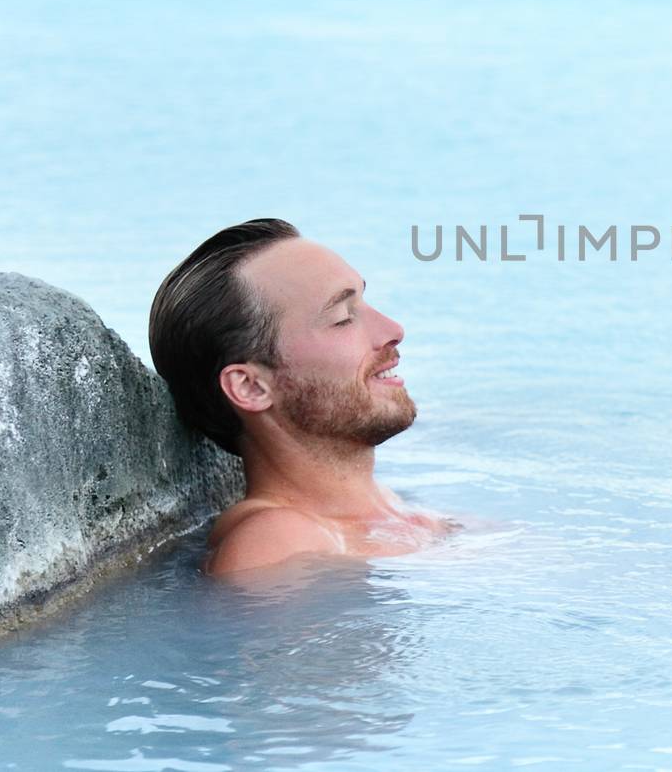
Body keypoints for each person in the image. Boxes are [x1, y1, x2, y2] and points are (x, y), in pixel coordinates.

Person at [149, 219, 452, 577]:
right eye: (342, 318)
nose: (393, 330)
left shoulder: (387, 509)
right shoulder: (277, 544)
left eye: (364, 301)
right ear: (251, 387)